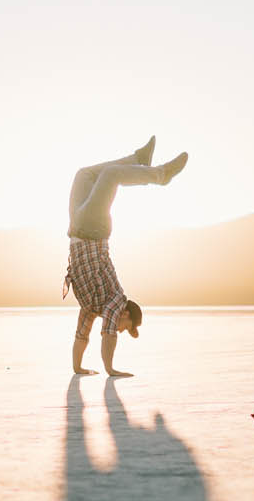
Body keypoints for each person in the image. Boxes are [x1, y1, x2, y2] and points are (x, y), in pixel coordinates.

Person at [64, 136, 187, 376]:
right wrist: (110, 369)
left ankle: (138, 159)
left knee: (83, 175)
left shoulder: (91, 307)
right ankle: (161, 175)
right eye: (127, 328)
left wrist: (77, 368)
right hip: (93, 231)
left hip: (77, 229)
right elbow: (108, 331)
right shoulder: (116, 302)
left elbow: (81, 335)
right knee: (110, 175)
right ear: (127, 314)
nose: (121, 331)